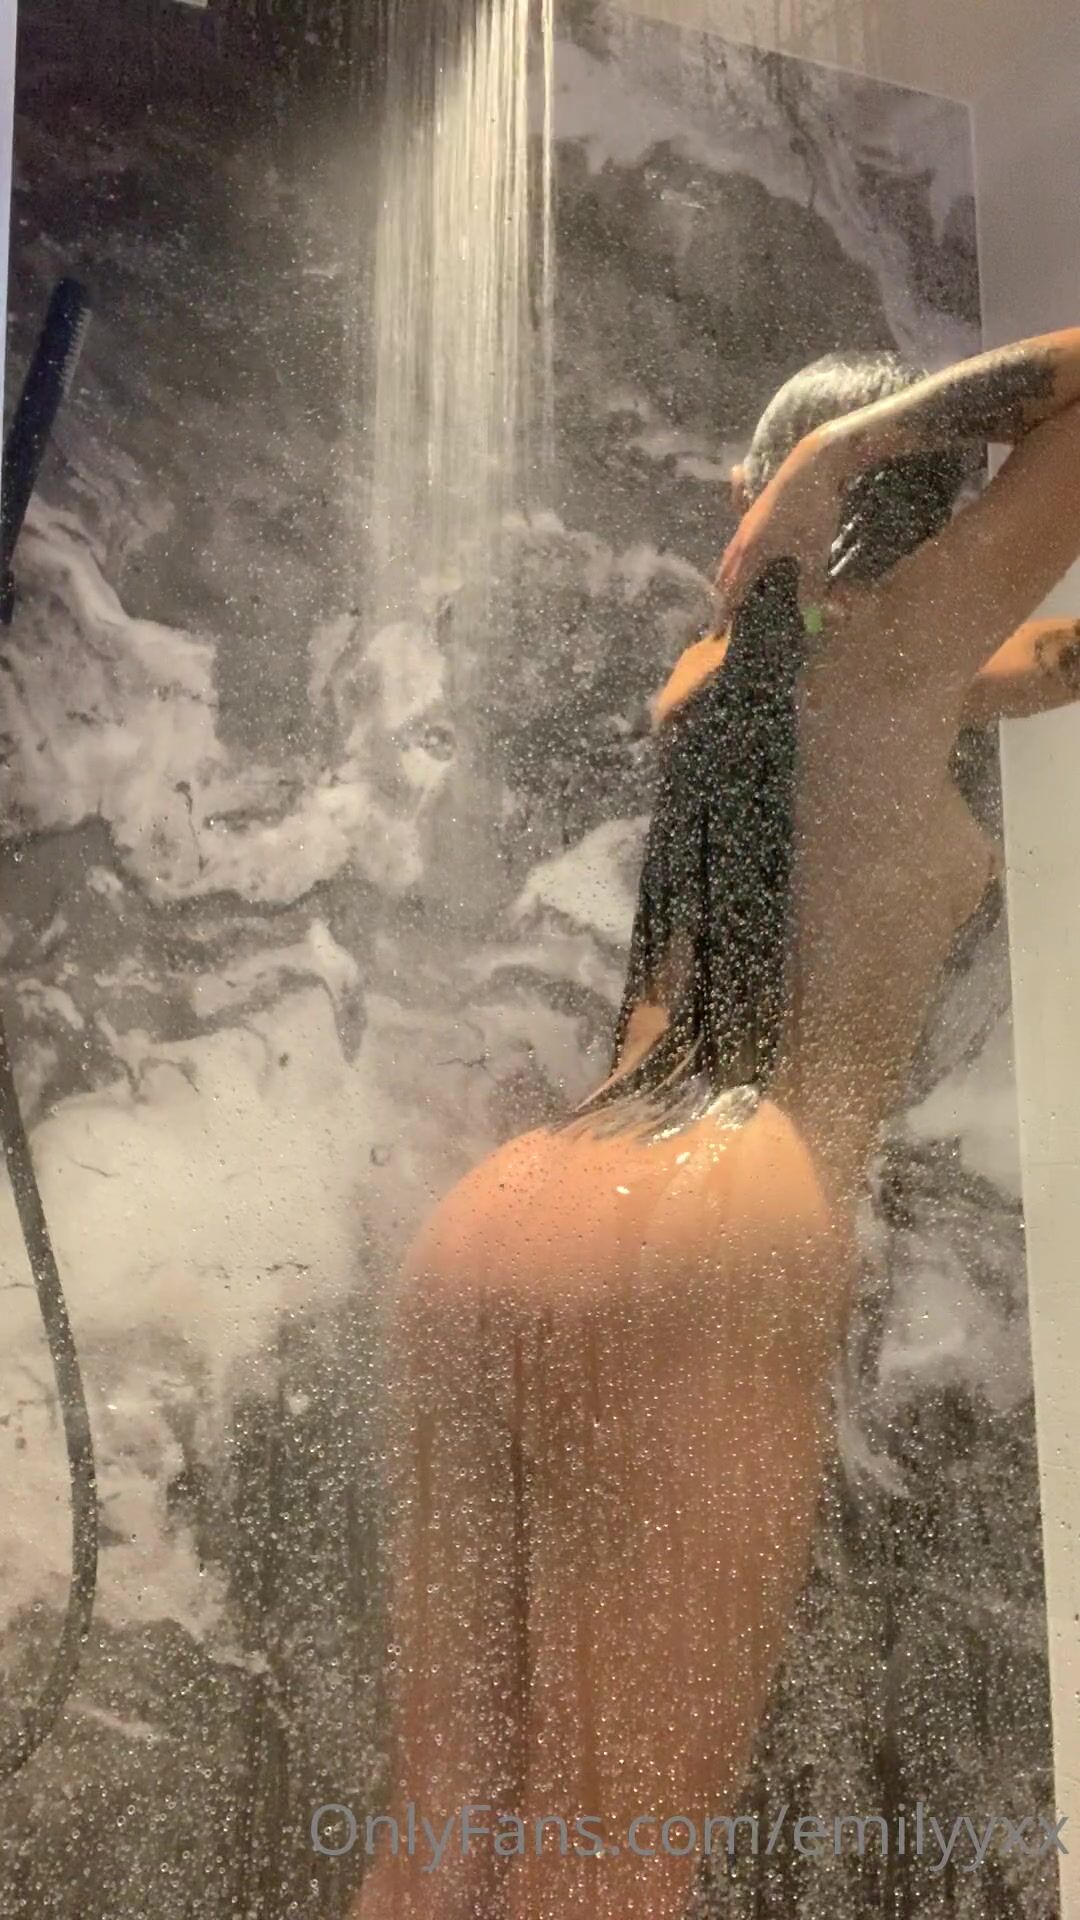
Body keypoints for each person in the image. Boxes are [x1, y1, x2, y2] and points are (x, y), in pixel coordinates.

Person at [355, 335, 1080, 1920]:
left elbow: (1029, 667)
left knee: (443, 1828)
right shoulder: (898, 666)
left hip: (506, 1217)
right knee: (612, 1860)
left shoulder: (717, 687)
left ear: (729, 493)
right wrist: (838, 463)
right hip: (708, 1228)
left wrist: (800, 483)